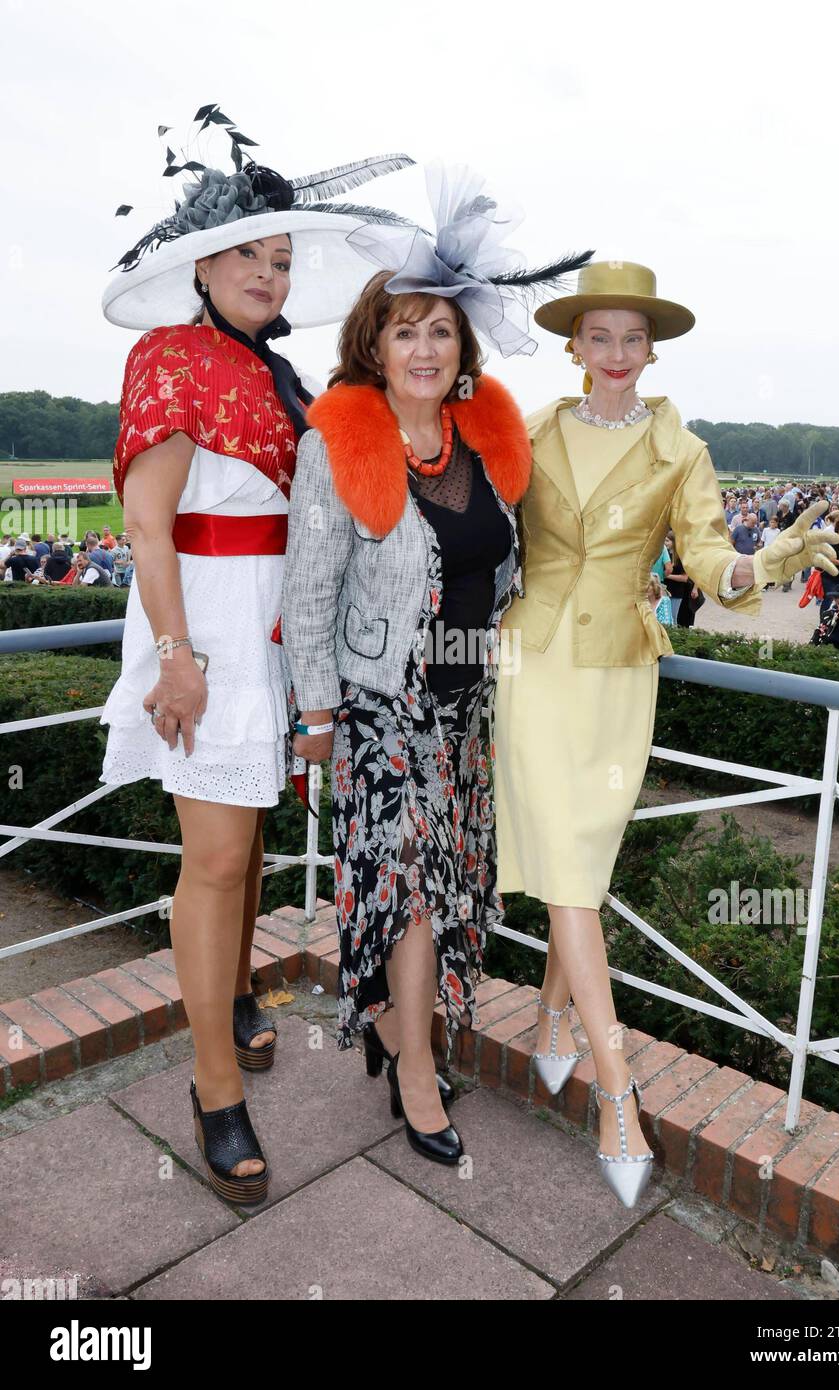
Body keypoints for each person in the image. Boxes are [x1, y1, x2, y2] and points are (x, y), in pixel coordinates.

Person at [97, 109, 414, 1206]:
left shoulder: (275, 374)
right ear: (201, 260)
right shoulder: (169, 356)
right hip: (206, 626)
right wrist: (175, 656)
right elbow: (149, 526)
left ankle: (231, 998)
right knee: (220, 859)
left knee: (253, 837)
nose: (269, 275)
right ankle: (213, 1089)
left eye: (282, 259)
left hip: (271, 625)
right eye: (249, 254)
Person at [492, 260, 839, 1209]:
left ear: (652, 349)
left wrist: (762, 563)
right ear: (573, 346)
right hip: (527, 667)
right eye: (597, 336)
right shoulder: (526, 429)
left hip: (615, 678)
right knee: (567, 866)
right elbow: (473, 528)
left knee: (578, 866)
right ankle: (616, 1090)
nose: (614, 354)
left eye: (631, 338)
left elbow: (707, 561)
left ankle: (552, 1017)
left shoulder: (681, 452)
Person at [282, 163, 588, 1168]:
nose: (423, 346)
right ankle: (415, 1073)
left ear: (462, 346)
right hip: (382, 713)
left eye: (439, 329)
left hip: (463, 714)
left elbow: (521, 562)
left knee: (446, 890)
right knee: (409, 892)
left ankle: (389, 1025)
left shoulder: (484, 439)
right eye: (404, 327)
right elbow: (310, 590)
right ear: (373, 341)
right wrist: (316, 715)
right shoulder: (337, 443)